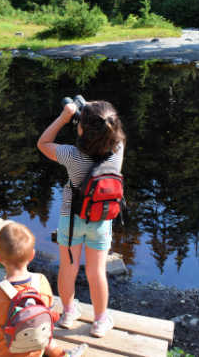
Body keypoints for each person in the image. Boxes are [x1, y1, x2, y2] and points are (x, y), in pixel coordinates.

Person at [37, 100, 125, 338]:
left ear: (81, 130)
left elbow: (43, 143)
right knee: (97, 271)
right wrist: (92, 111)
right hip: (101, 220)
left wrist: (65, 117)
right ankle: (99, 321)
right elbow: (108, 124)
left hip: (71, 219)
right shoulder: (118, 150)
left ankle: (68, 313)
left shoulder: (72, 155)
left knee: (68, 267)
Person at [0, 222, 87, 357]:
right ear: (32, 255)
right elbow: (47, 313)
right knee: (45, 336)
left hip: (3, 353)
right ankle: (62, 354)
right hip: (36, 349)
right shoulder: (42, 281)